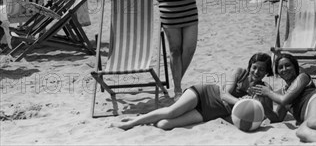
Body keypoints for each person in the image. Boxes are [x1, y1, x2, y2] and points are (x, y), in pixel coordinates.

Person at [115, 53, 273, 130]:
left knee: (164, 124)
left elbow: (270, 115)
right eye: (255, 67)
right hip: (205, 93)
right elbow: (224, 94)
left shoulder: (264, 89)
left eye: (261, 70)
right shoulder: (240, 72)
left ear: (266, 73)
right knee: (171, 111)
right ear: (250, 66)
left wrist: (263, 97)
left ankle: (148, 121)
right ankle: (132, 123)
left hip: (211, 112)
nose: (257, 72)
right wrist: (243, 102)